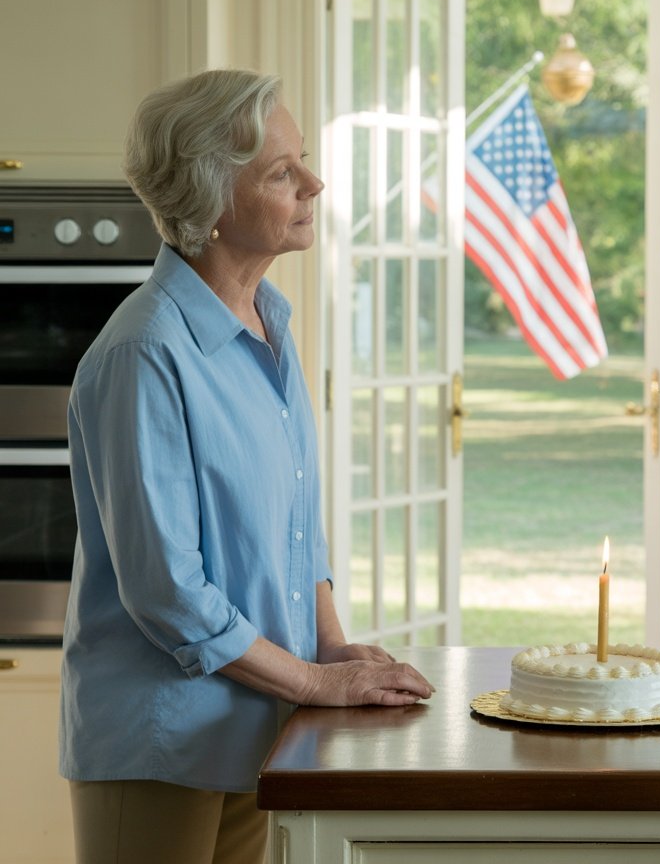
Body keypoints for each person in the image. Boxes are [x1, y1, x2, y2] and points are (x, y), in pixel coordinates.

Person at [59, 69, 434, 864]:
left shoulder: (268, 321)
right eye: (279, 172)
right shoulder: (144, 352)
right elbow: (165, 590)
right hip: (161, 744)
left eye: (302, 160)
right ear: (209, 202)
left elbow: (297, 527)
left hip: (256, 726)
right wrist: (312, 682)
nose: (315, 183)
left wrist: (328, 648)